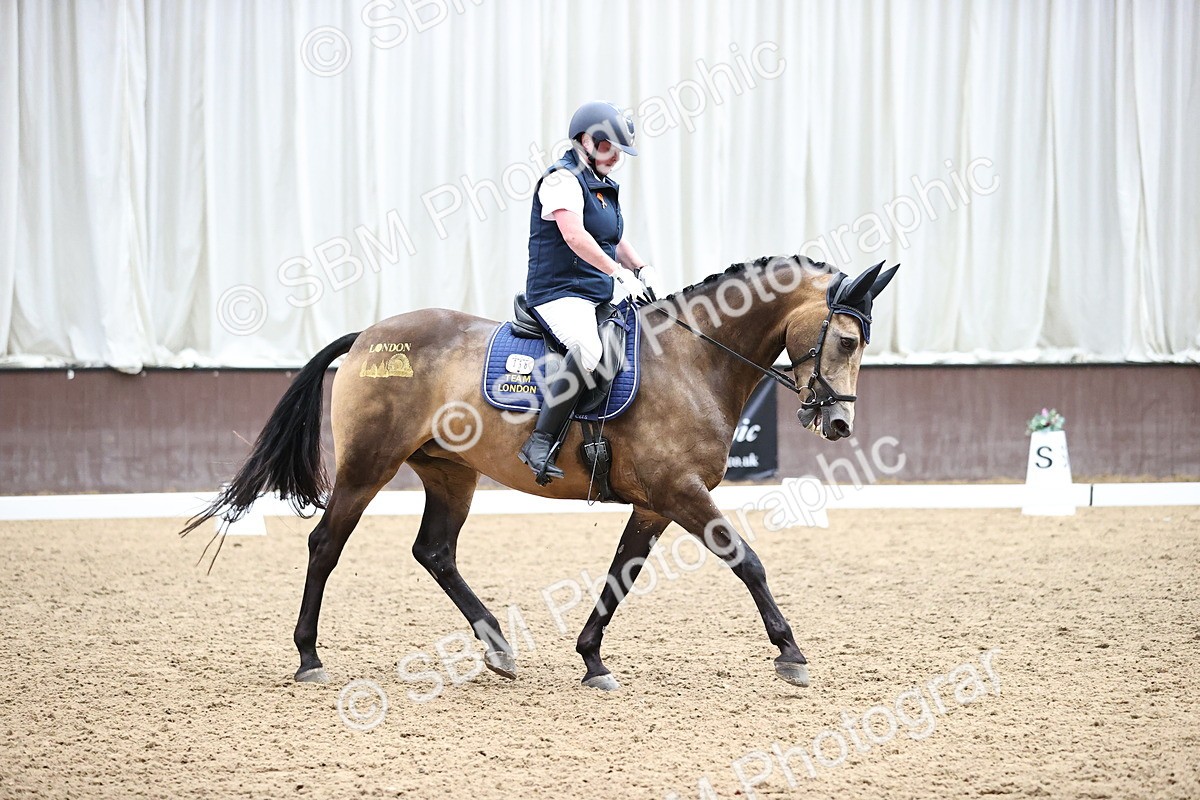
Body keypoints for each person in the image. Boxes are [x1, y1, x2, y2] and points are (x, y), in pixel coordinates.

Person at [518, 101, 663, 481]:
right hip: (559, 292)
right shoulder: (561, 180)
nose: (614, 157)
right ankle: (539, 440)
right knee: (590, 351)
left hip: (594, 290)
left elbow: (611, 237)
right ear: (584, 140)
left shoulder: (601, 187)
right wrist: (617, 273)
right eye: (607, 147)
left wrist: (641, 267)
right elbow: (575, 236)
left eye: (619, 152)